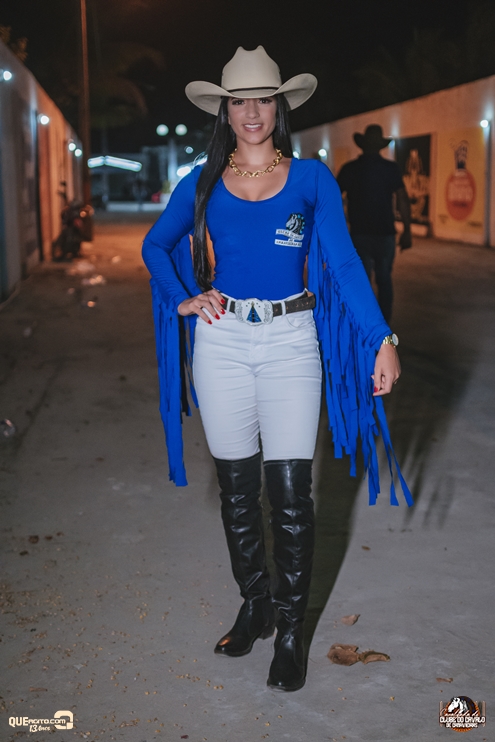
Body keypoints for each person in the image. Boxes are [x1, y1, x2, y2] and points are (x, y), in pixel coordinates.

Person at [142, 47, 411, 694]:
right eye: (240, 101)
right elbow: (156, 244)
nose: (252, 112)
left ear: (279, 106)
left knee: (291, 496)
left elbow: (345, 264)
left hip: (292, 340)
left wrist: (381, 337)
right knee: (237, 492)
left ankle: (290, 631)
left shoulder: (312, 178)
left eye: (264, 99)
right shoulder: (202, 180)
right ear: (225, 111)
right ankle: (255, 604)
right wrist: (183, 296)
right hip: (222, 341)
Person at [337, 124, 412, 323]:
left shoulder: (350, 169)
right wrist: (407, 230)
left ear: (362, 145)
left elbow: (333, 198)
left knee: (362, 281)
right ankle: (384, 324)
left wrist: (336, 230)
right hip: (385, 232)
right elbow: (402, 198)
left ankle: (365, 322)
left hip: (359, 233)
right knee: (384, 279)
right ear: (380, 146)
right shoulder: (390, 168)